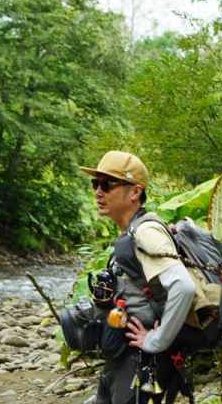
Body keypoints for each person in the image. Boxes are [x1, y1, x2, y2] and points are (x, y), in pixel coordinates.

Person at [80, 150, 196, 404]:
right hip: (121, 361)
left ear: (135, 192)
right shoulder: (129, 234)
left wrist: (157, 340)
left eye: (108, 184)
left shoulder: (147, 232)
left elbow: (183, 287)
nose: (98, 192)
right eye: (95, 184)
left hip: (141, 364)